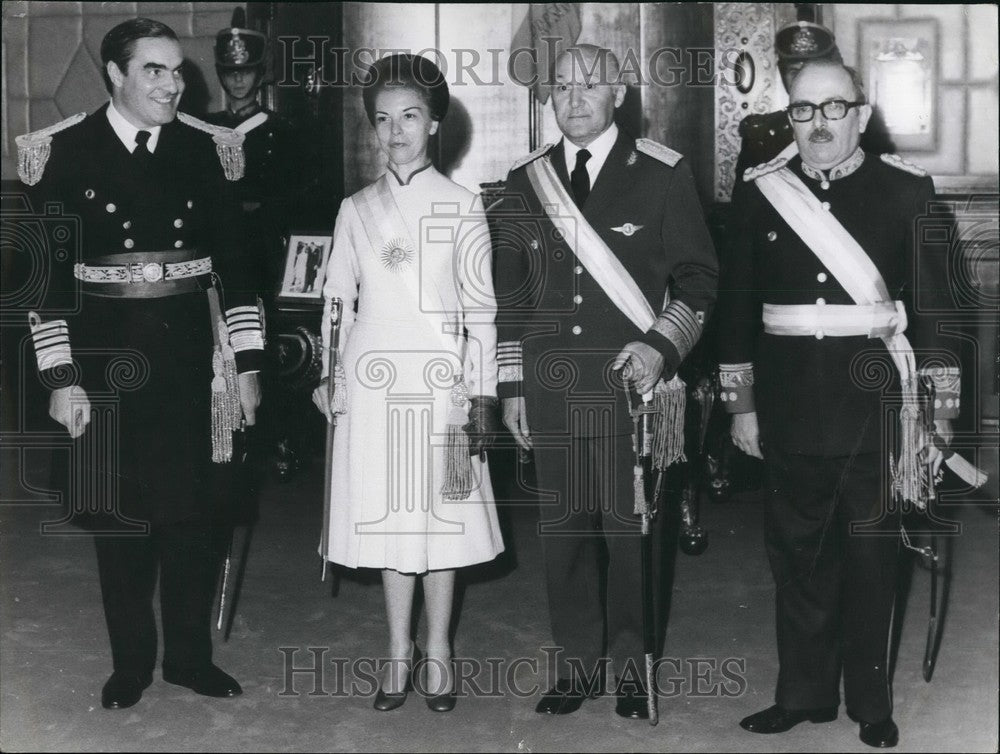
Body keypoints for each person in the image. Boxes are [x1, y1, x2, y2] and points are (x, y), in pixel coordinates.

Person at [15, 18, 264, 710]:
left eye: (177, 70)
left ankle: (188, 658)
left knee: (194, 518)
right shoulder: (61, 153)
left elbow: (239, 273)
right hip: (105, 361)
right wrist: (61, 380)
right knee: (120, 520)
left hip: (193, 361)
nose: (171, 83)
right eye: (153, 69)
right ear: (114, 75)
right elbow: (46, 284)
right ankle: (131, 665)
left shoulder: (210, 150)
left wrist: (247, 367)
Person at [717, 60, 960, 749]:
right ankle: (803, 693)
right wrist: (742, 404)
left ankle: (871, 701)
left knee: (872, 554)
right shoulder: (761, 195)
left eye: (833, 107)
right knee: (795, 553)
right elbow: (735, 307)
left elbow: (939, 313)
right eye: (802, 110)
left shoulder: (907, 193)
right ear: (787, 116)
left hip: (875, 402)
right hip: (789, 399)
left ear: (862, 110)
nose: (818, 124)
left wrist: (937, 416)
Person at [490, 44, 718, 719]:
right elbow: (512, 298)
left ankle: (628, 667)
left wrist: (660, 349)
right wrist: (512, 389)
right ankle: (576, 664)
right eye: (562, 87)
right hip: (553, 388)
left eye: (591, 84)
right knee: (562, 533)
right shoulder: (524, 181)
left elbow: (699, 282)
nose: (576, 97)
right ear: (549, 99)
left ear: (618, 92)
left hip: (630, 388)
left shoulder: (660, 174)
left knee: (629, 534)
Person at [311, 53, 504, 713]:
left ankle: (440, 649)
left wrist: (482, 396)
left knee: (443, 520)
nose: (396, 131)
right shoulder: (356, 209)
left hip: (446, 392)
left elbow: (482, 312)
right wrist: (327, 377)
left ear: (434, 123)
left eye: (410, 117)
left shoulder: (464, 204)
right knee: (395, 521)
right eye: (384, 120)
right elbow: (335, 302)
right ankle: (399, 649)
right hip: (373, 387)